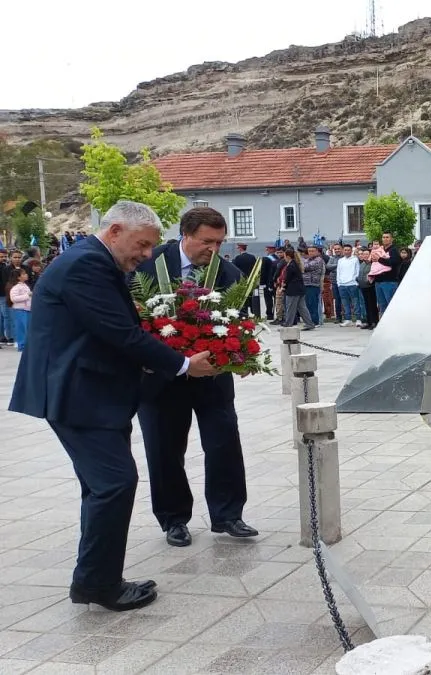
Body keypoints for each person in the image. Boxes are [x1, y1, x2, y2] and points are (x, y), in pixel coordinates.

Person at [8, 200, 218, 612]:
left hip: (91, 393)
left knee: (102, 488)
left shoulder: (92, 261)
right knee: (114, 484)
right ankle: (98, 585)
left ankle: (95, 579)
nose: (144, 255)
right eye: (141, 246)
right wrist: (182, 364)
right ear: (116, 230)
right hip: (78, 394)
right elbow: (119, 332)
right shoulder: (86, 265)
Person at [135, 207, 259, 548]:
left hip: (212, 377)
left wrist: (243, 355)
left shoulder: (229, 273)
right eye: (207, 241)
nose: (214, 249)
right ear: (186, 234)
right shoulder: (148, 265)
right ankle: (174, 519)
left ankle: (228, 514)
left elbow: (239, 320)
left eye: (220, 242)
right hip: (161, 378)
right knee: (164, 449)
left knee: (223, 443)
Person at [281, 249, 317, 330]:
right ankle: (309, 323)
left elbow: (288, 278)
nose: (284, 258)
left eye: (284, 256)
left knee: (290, 308)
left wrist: (284, 286)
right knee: (302, 308)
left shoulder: (291, 265)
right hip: (300, 289)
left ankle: (288, 324)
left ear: (288, 256)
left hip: (293, 290)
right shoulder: (296, 264)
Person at [373, 233, 403, 315]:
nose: (385, 239)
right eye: (383, 237)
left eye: (387, 237)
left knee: (391, 305)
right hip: (378, 281)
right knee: (382, 305)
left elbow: (394, 262)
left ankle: (394, 325)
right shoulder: (380, 250)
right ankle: (383, 325)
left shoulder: (394, 250)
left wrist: (379, 259)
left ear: (392, 239)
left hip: (389, 281)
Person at [336, 245, 364, 327]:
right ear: (343, 251)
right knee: (345, 303)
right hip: (342, 284)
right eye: (345, 250)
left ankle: (358, 319)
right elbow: (338, 272)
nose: (347, 251)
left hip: (352, 284)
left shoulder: (355, 259)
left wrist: (355, 281)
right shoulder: (340, 260)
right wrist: (339, 283)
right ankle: (348, 319)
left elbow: (357, 271)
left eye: (348, 250)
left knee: (355, 302)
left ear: (351, 251)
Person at [7, 267, 32, 351]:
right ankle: (21, 345)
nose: (26, 275)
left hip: (27, 309)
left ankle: (27, 345)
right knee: (21, 328)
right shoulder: (15, 287)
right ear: (18, 277)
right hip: (20, 310)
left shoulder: (25, 285)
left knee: (27, 327)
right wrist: (27, 296)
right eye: (24, 274)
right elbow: (13, 298)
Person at [231, 243, 259, 316]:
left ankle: (245, 313)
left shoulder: (237, 258)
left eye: (238, 248)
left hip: (242, 281)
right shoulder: (252, 257)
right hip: (252, 280)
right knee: (252, 298)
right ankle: (254, 313)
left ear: (240, 248)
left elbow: (235, 269)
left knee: (243, 298)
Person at [356, 248, 379, 329]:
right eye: (363, 254)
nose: (365, 256)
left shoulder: (373, 264)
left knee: (372, 305)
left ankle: (374, 321)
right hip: (363, 287)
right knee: (366, 305)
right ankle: (368, 322)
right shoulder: (362, 264)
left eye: (366, 254)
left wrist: (369, 281)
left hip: (370, 287)